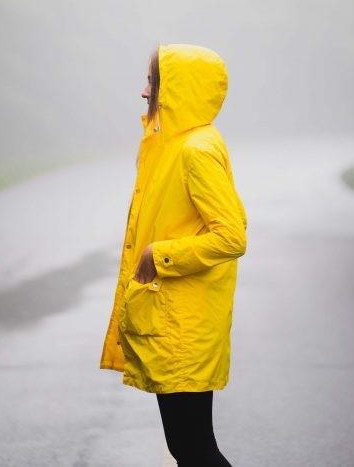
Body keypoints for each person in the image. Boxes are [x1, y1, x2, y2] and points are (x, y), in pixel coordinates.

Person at [99, 43, 248, 466]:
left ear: (178, 90)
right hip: (174, 319)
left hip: (185, 325)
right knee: (188, 448)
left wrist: (159, 256)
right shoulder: (169, 145)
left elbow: (231, 236)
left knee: (194, 449)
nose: (144, 92)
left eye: (153, 82)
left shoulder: (194, 150)